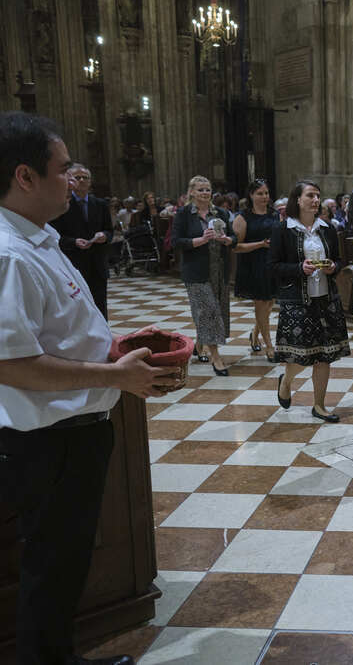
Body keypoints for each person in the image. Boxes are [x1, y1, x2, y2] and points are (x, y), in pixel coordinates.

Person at [0, 110, 176, 665]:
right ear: (25, 176)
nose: (72, 179)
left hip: (74, 430)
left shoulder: (40, 238)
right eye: (62, 168)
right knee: (51, 568)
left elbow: (62, 330)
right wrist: (114, 376)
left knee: (65, 564)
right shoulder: (9, 254)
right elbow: (12, 364)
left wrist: (116, 343)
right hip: (49, 440)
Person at [270, 180, 350, 422]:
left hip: (326, 299)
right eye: (310, 195)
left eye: (317, 195)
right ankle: (286, 380)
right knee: (302, 355)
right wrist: (299, 268)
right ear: (297, 199)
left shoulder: (327, 228)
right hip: (298, 300)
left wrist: (333, 267)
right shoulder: (283, 229)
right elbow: (273, 266)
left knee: (325, 354)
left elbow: (339, 260)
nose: (315, 200)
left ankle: (319, 405)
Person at [171, 175, 236, 376]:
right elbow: (176, 242)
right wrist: (199, 240)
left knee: (215, 310)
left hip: (219, 271)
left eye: (208, 189)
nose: (205, 193)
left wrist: (227, 239)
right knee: (208, 312)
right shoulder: (183, 214)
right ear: (191, 192)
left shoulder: (220, 213)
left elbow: (233, 237)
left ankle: (200, 345)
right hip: (196, 272)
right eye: (200, 189)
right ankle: (216, 357)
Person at [50, 163, 113, 318]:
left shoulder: (100, 204)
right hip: (73, 263)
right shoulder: (62, 205)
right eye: (78, 177)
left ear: (90, 182)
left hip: (97, 264)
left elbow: (109, 231)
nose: (82, 180)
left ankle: (103, 333)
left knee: (100, 306)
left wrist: (104, 236)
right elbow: (54, 236)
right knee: (77, 308)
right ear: (70, 181)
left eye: (86, 177)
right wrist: (74, 242)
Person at [233, 178, 279, 362]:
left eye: (266, 193)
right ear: (251, 195)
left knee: (269, 304)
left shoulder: (275, 214)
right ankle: (269, 346)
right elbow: (236, 247)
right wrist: (261, 244)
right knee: (261, 303)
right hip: (253, 264)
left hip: (272, 263)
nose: (264, 196)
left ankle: (254, 335)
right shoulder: (242, 217)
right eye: (260, 193)